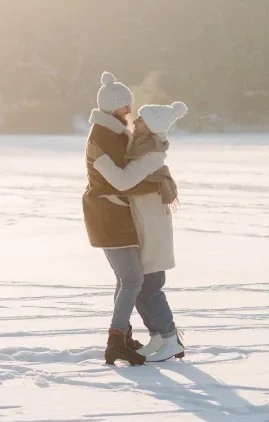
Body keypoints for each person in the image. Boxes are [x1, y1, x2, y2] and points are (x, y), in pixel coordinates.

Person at [91, 102, 188, 363]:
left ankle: (170, 339)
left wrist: (99, 160)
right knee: (143, 285)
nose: (135, 122)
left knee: (152, 287)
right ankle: (158, 336)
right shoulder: (143, 147)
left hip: (152, 225)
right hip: (144, 222)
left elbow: (123, 180)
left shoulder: (151, 154)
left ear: (152, 126)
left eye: (141, 121)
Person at [82, 72, 160, 366]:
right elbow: (119, 180)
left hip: (114, 212)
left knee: (126, 277)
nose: (130, 110)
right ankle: (115, 341)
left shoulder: (112, 133)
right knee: (132, 279)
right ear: (114, 107)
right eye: (126, 106)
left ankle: (122, 335)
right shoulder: (103, 136)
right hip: (107, 213)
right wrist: (152, 178)